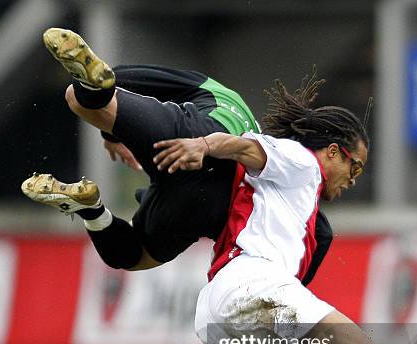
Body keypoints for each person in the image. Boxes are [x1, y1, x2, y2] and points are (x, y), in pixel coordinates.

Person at [152, 75, 417, 344]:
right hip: (254, 282)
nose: (353, 179)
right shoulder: (301, 163)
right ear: (333, 151)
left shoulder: (293, 199)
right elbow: (246, 145)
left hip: (215, 310)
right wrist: (203, 145)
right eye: (355, 166)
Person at [22, 28, 332, 286]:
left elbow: (123, 77)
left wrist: (111, 132)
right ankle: (90, 210)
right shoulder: (290, 185)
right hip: (208, 202)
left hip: (192, 138)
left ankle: (91, 203)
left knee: (78, 98)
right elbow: (321, 232)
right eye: (353, 166)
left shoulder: (225, 97)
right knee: (133, 256)